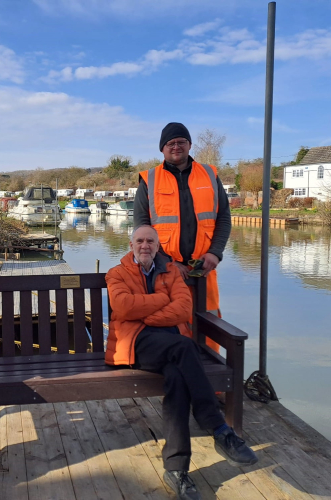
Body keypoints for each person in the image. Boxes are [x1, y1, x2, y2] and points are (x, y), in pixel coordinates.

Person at [105, 225, 257, 500]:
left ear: (158, 245)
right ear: (131, 245)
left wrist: (146, 314)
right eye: (139, 241)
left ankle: (176, 469)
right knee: (185, 346)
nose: (145, 246)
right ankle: (218, 426)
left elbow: (184, 309)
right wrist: (162, 301)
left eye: (150, 241)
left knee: (177, 376)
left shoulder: (171, 272)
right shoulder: (117, 273)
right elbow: (123, 307)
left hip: (172, 345)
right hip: (137, 343)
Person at [134, 122, 231, 351]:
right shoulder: (149, 180)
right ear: (162, 148)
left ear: (189, 145)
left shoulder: (210, 175)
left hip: (203, 268)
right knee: (170, 326)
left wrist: (215, 254)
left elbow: (224, 218)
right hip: (165, 271)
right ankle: (173, 382)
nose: (176, 146)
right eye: (170, 143)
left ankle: (210, 385)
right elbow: (141, 229)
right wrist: (166, 262)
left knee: (208, 327)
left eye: (181, 142)